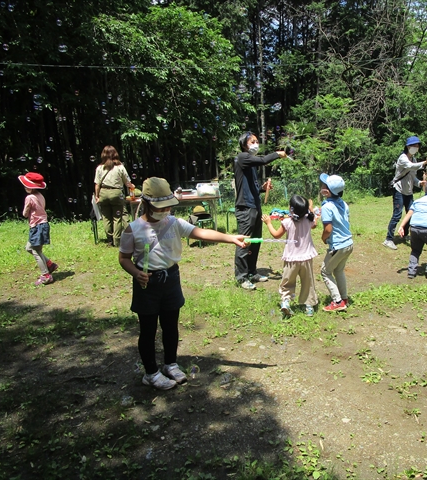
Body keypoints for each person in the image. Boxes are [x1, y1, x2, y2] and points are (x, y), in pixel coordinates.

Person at [119, 177, 247, 390]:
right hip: (147, 283)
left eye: (168, 206)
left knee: (171, 326)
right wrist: (135, 272)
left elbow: (201, 233)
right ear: (147, 203)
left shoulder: (174, 223)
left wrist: (230, 237)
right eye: (161, 207)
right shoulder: (133, 229)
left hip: (171, 279)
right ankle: (150, 373)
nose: (166, 210)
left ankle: (170, 363)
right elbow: (123, 258)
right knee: (148, 329)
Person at [233, 132, 287, 290]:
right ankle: (242, 277)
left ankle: (251, 272)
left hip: (255, 207)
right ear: (244, 144)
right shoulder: (242, 157)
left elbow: (251, 188)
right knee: (244, 243)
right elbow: (263, 160)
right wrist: (277, 154)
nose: (256, 144)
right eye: (253, 141)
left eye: (257, 141)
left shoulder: (250, 165)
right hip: (245, 209)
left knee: (255, 242)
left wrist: (262, 189)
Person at [262, 195, 319, 317]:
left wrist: (268, 223)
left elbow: (276, 235)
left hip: (291, 259)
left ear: (291, 209)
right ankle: (309, 306)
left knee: (287, 282)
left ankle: (286, 302)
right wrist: (312, 209)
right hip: (306, 259)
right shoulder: (309, 219)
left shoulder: (287, 222)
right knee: (308, 282)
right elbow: (314, 224)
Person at [383, 136, 427, 250]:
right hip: (399, 190)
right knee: (397, 215)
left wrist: (419, 183)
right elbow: (410, 167)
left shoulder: (414, 159)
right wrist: (425, 162)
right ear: (408, 146)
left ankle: (404, 235)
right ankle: (388, 239)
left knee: (410, 213)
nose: (416, 148)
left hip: (408, 191)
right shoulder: (403, 158)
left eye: (417, 146)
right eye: (414, 146)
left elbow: (412, 176)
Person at [319, 173, 353, 312]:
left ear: (327, 191)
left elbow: (328, 228)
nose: (321, 186)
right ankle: (344, 298)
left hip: (338, 246)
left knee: (325, 271)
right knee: (338, 270)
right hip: (348, 243)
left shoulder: (327, 207)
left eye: (323, 185)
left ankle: (338, 301)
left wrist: (323, 238)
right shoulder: (343, 203)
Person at [19, 172, 58, 286]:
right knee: (29, 248)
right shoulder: (40, 196)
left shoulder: (29, 197)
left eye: (26, 185)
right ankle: (50, 264)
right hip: (43, 225)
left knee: (36, 251)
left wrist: (25, 212)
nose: (25, 187)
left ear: (30, 187)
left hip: (37, 226)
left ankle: (45, 275)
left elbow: (25, 214)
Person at [94, 145, 135, 247]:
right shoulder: (120, 167)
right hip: (116, 193)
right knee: (117, 217)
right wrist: (132, 186)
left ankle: (109, 240)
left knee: (106, 217)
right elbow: (127, 182)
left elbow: (97, 184)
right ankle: (117, 241)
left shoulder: (99, 168)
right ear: (115, 154)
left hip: (103, 192)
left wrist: (97, 196)